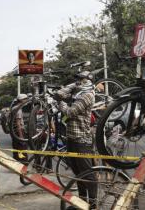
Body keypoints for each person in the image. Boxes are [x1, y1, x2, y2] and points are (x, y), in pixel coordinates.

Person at [54, 71, 97, 209]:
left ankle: (93, 204)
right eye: (77, 79)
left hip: (82, 140)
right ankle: (82, 202)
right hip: (72, 138)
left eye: (81, 80)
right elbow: (60, 93)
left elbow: (70, 112)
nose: (78, 82)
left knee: (87, 174)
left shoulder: (87, 95)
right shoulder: (76, 92)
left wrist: (60, 103)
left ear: (88, 81)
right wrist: (71, 86)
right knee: (78, 173)